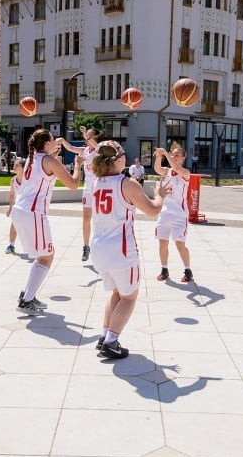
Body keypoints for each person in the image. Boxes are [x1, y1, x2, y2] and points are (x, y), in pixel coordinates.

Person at [88, 141, 166, 359]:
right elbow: (152, 210)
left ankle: (105, 336)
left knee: (116, 293)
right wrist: (160, 194)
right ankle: (111, 342)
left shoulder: (96, 182)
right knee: (129, 297)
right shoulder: (127, 184)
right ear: (119, 159)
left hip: (99, 246)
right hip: (120, 249)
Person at [11, 129, 84, 314]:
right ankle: (27, 300)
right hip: (33, 213)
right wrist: (77, 165)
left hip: (21, 210)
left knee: (42, 256)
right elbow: (74, 185)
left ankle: (27, 295)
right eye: (53, 141)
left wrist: (53, 156)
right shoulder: (49, 160)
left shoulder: (32, 157)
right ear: (46, 144)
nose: (56, 143)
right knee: (47, 256)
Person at [152, 143, 194, 283]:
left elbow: (176, 167)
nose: (174, 157)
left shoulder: (185, 173)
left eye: (177, 155)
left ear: (183, 157)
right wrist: (159, 156)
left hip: (179, 214)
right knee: (162, 243)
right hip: (165, 212)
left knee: (179, 244)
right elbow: (157, 168)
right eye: (173, 154)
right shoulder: (168, 171)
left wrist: (166, 153)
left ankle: (188, 270)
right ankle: (164, 269)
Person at [58, 126, 101, 262]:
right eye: (86, 136)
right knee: (86, 217)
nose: (86, 138)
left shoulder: (101, 150)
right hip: (88, 189)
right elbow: (70, 148)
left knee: (100, 219)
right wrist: (62, 140)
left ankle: (100, 245)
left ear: (94, 137)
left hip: (100, 189)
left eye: (89, 136)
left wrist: (86, 135)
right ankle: (86, 246)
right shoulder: (85, 151)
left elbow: (99, 148)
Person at [5, 157, 25, 254]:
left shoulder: (28, 180)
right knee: (14, 224)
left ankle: (37, 247)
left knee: (31, 228)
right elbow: (12, 194)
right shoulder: (13, 181)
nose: (14, 166)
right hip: (18, 206)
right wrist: (10, 208)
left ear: (23, 168)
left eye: (17, 165)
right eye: (14, 165)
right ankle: (11, 245)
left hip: (29, 207)